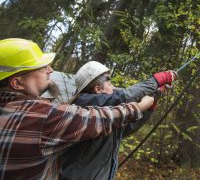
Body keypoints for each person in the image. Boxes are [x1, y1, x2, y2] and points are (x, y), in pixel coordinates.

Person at [0, 38, 154, 180]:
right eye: (42, 67)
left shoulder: (17, 110)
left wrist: (149, 108)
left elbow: (121, 130)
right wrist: (150, 88)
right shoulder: (45, 114)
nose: (50, 70)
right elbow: (118, 102)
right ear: (17, 83)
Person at [62, 61, 177, 180]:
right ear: (98, 89)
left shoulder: (106, 116)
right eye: (109, 81)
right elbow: (124, 97)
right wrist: (159, 79)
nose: (113, 86)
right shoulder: (84, 104)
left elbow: (128, 128)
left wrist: (154, 98)